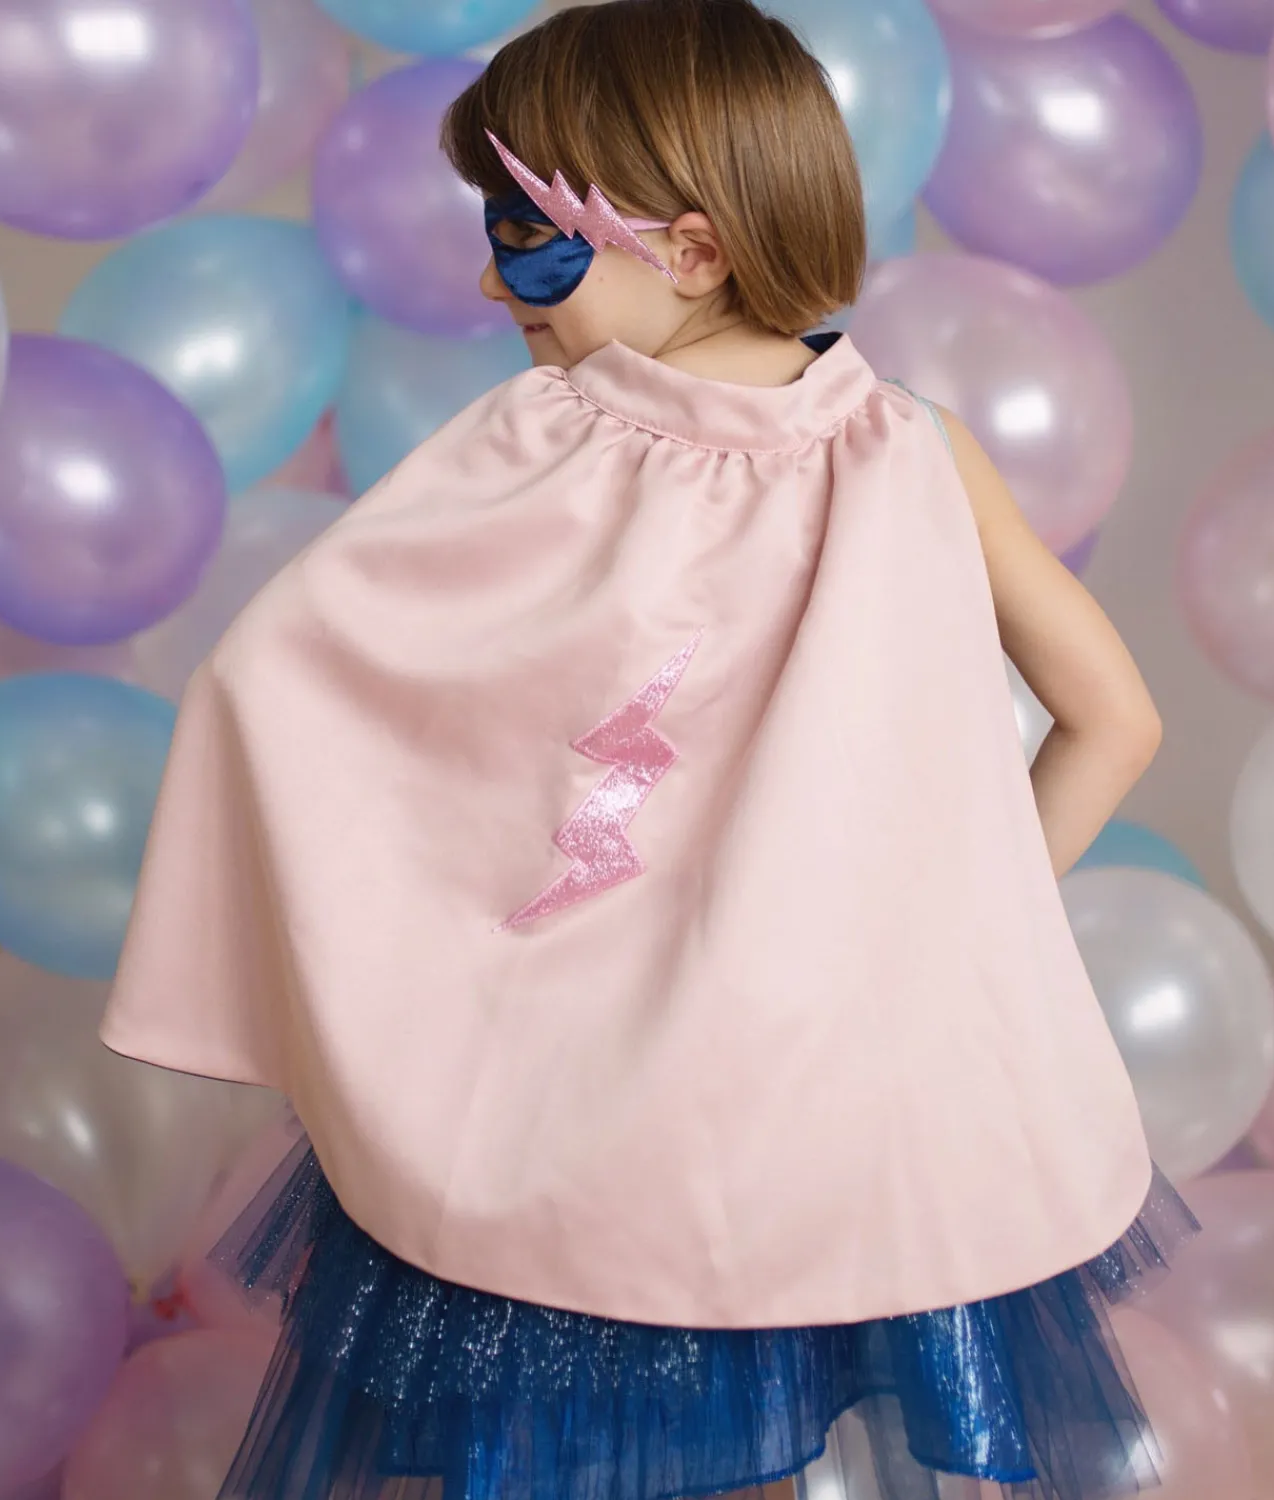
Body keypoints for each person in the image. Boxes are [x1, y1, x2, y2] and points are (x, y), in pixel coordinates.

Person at [100, 2, 1195, 1498]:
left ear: (688, 249)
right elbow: (1117, 719)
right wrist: (945, 938)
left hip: (563, 1133)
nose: (490, 279)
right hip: (833, 1118)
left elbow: (293, 674)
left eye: (527, 239)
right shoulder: (920, 454)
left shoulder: (544, 438)